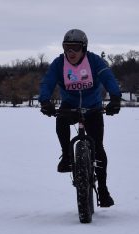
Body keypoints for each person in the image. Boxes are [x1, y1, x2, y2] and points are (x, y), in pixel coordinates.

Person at [39, 29, 121, 208]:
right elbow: (47, 82)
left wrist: (115, 98)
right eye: (67, 48)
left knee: (98, 147)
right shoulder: (59, 63)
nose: (71, 52)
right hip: (70, 105)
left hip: (93, 107)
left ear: (84, 48)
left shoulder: (94, 61)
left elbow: (108, 78)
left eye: (75, 48)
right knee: (60, 119)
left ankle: (104, 189)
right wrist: (45, 101)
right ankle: (67, 156)